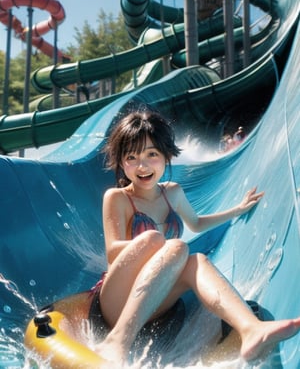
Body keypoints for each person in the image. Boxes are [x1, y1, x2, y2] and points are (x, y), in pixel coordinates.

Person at [91, 107, 300, 365]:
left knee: (197, 261)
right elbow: (112, 252)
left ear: (166, 155)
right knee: (164, 244)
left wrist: (237, 209)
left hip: (153, 303)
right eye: (131, 157)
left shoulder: (173, 193)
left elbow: (197, 223)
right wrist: (153, 242)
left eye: (151, 155)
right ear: (122, 162)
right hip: (116, 299)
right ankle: (117, 341)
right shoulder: (118, 198)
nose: (142, 166)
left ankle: (251, 329)